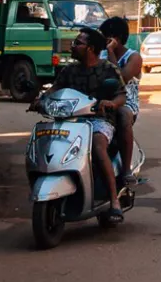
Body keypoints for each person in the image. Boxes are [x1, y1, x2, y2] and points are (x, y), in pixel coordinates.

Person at [50, 30, 124, 210]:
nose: (73, 46)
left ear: (90, 48)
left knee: (98, 145)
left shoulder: (108, 69)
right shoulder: (69, 70)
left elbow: (121, 96)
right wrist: (41, 100)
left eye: (77, 43)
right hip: (70, 120)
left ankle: (114, 200)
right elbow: (54, 89)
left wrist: (111, 104)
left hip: (99, 120)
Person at [97, 16, 143, 195]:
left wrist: (110, 52)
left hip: (126, 104)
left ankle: (126, 170)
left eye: (105, 37)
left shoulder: (133, 57)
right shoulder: (99, 55)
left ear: (115, 37)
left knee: (123, 115)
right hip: (100, 101)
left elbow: (119, 81)